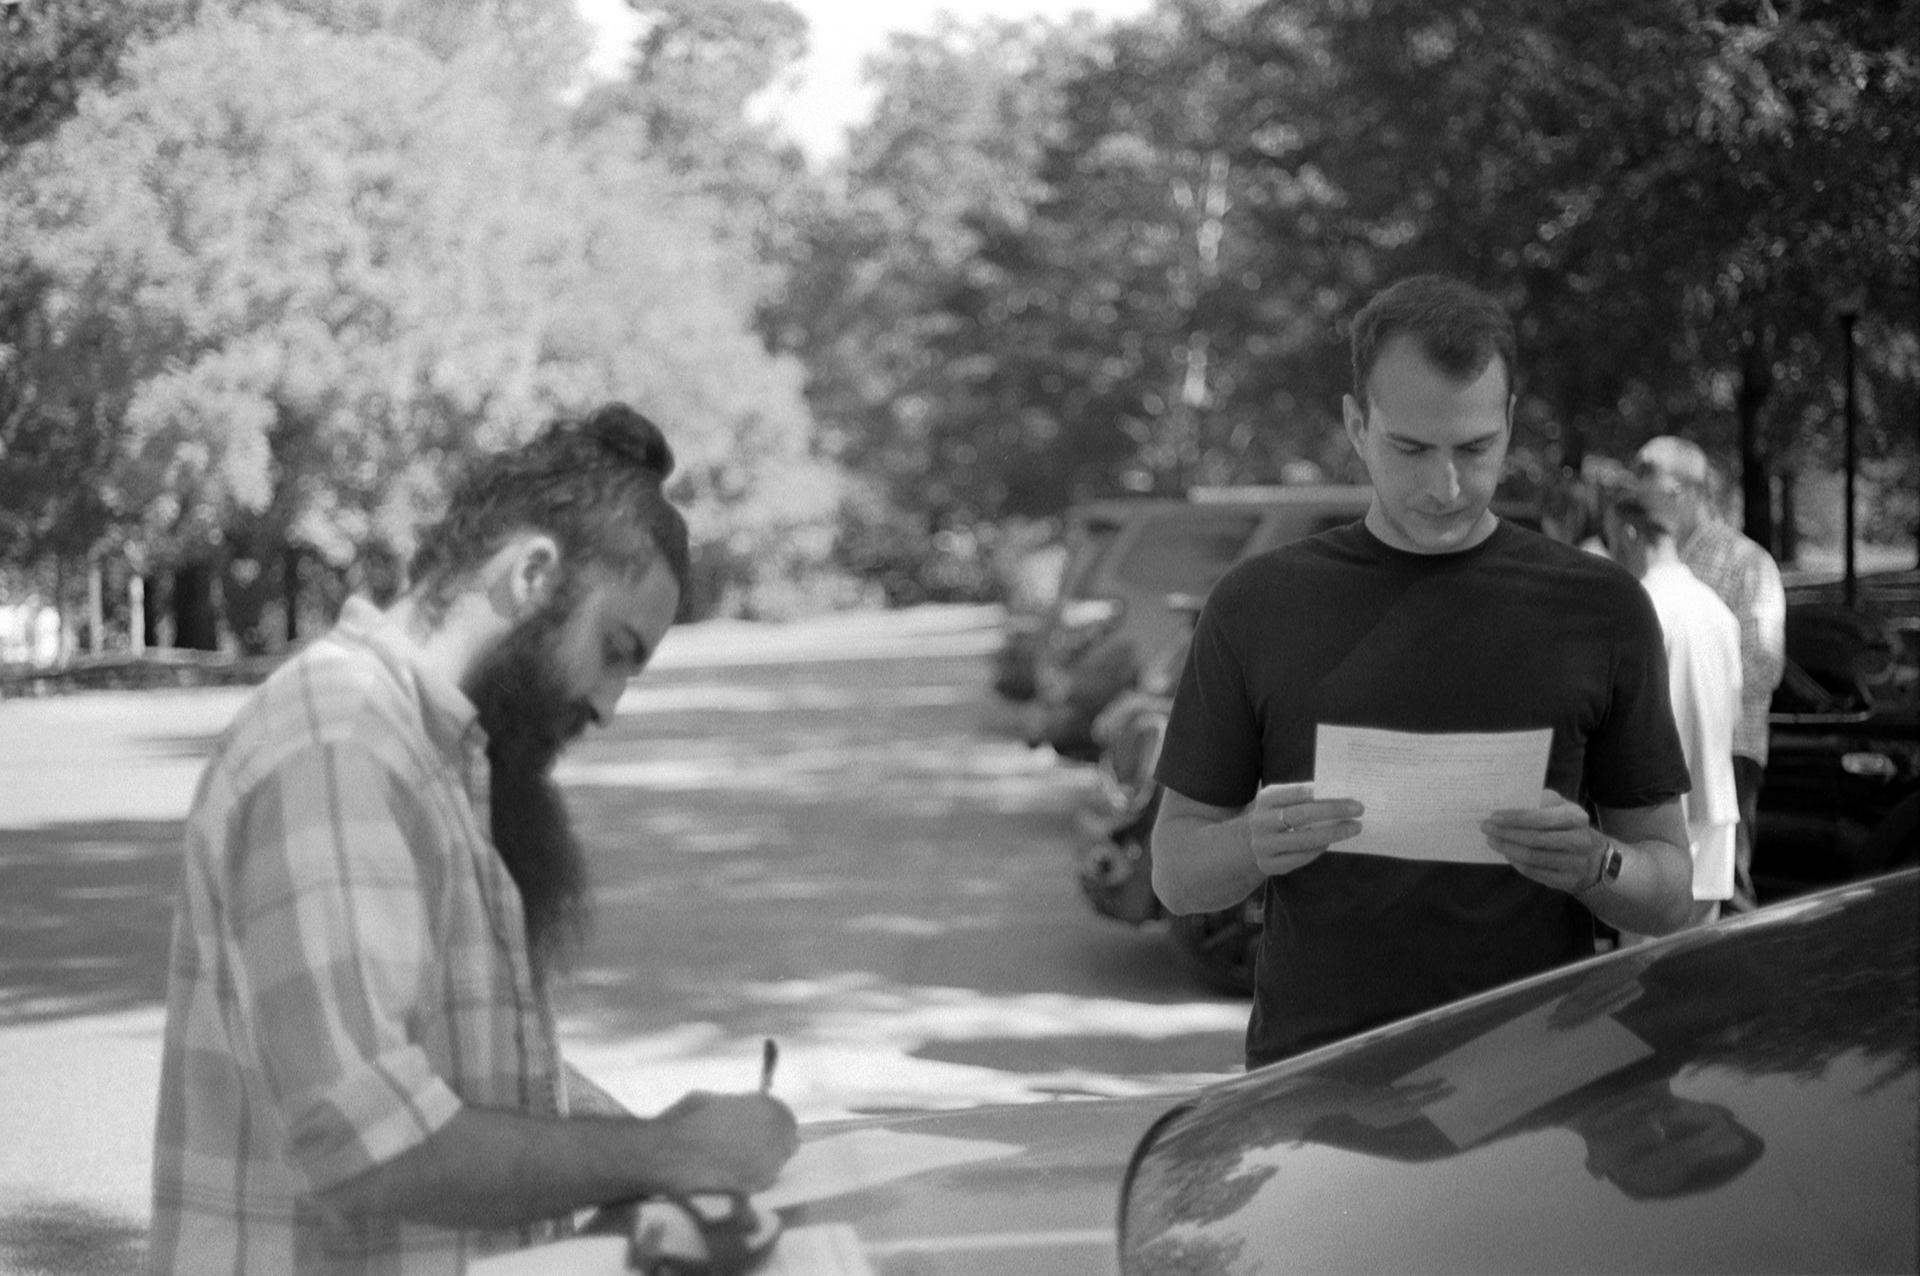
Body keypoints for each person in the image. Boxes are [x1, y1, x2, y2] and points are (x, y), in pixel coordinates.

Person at [149, 405, 799, 1274]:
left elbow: (447, 1073)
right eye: (614, 650)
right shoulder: (340, 743)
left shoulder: (431, 750)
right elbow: (369, 1142)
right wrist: (665, 1152)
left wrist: (662, 1137)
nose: (608, 704)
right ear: (531, 575)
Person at [1150, 274, 1694, 1069]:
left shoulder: (1601, 609)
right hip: (1316, 1082)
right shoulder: (1258, 604)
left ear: (1510, 424)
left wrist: (1595, 864)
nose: (1446, 487)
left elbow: (1673, 892)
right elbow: (1175, 873)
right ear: (1356, 424)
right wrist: (1251, 844)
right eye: (1410, 449)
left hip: (1530, 1083)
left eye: (1476, 449)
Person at [1633, 436, 1786, 911]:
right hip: (1665, 752)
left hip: (1726, 752)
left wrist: (1700, 682)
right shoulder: (1650, 561)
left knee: (1726, 892)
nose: (1641, 515)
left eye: (1649, 500)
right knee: (1671, 894)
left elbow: (1764, 664)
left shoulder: (1747, 563)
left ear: (1684, 493)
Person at [1603, 494, 1743, 928]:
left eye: (1611, 538)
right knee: (1702, 955)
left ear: (1629, 533)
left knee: (1645, 957)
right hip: (1716, 804)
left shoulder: (1635, 607)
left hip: (1651, 815)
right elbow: (1734, 714)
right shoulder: (1717, 609)